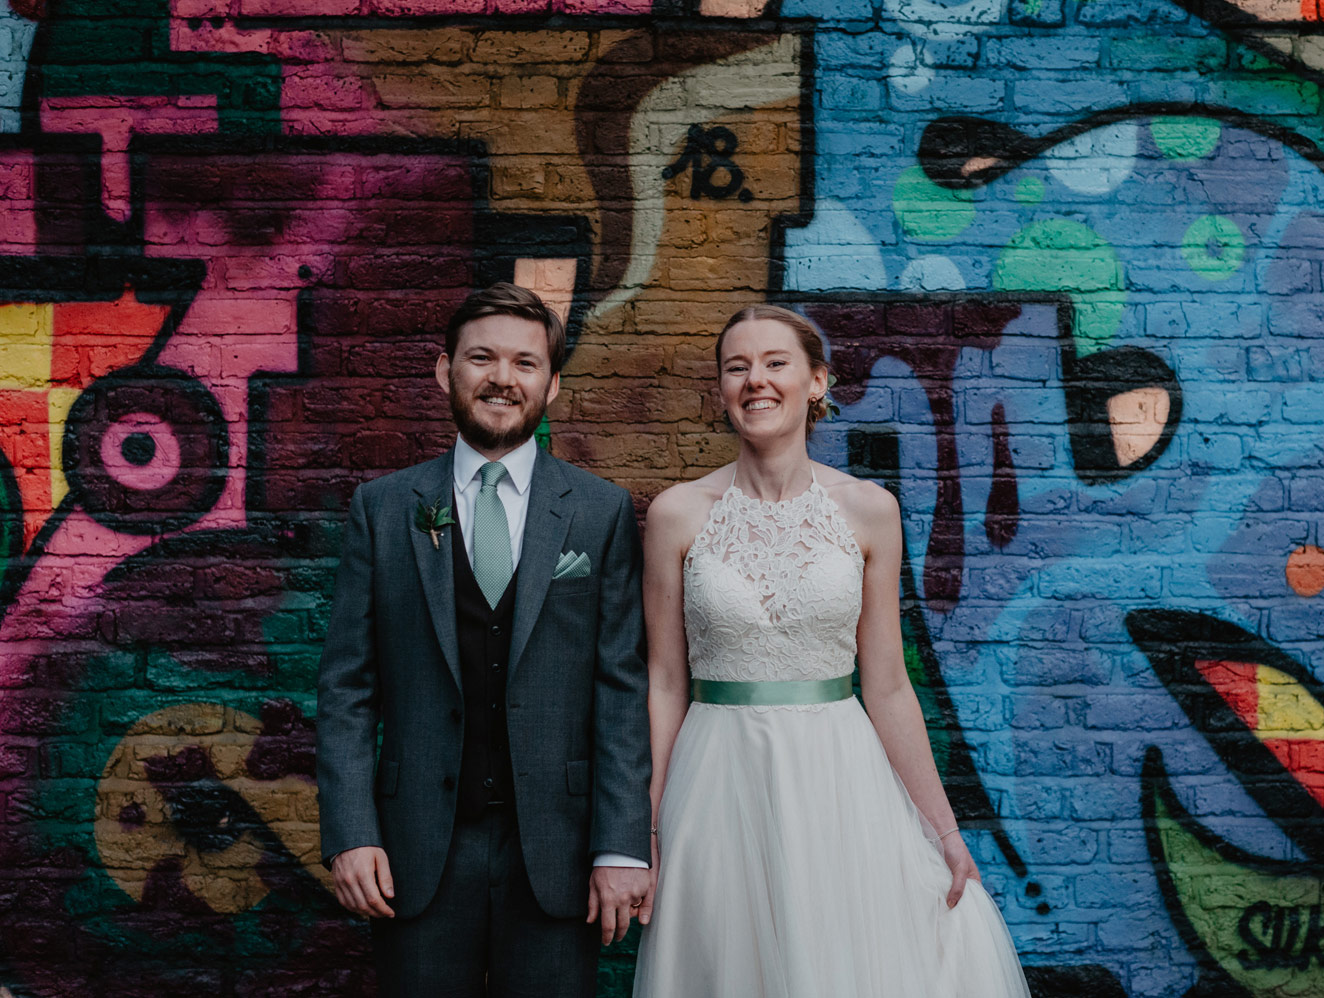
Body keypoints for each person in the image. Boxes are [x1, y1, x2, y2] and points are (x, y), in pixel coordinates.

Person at [632, 304, 1032, 996]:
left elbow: (887, 686)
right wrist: (649, 823)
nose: (755, 380)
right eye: (737, 367)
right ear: (723, 389)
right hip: (715, 778)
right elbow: (665, 682)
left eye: (775, 363)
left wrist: (942, 829)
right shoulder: (676, 515)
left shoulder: (870, 511)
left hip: (839, 781)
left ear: (817, 382)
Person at [315, 282, 653, 997]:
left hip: (558, 852)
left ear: (552, 385)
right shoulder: (382, 509)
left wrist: (622, 844)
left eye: (526, 363)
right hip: (413, 850)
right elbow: (348, 687)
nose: (503, 378)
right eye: (482, 358)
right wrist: (351, 831)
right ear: (446, 371)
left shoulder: (600, 512)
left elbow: (621, 688)